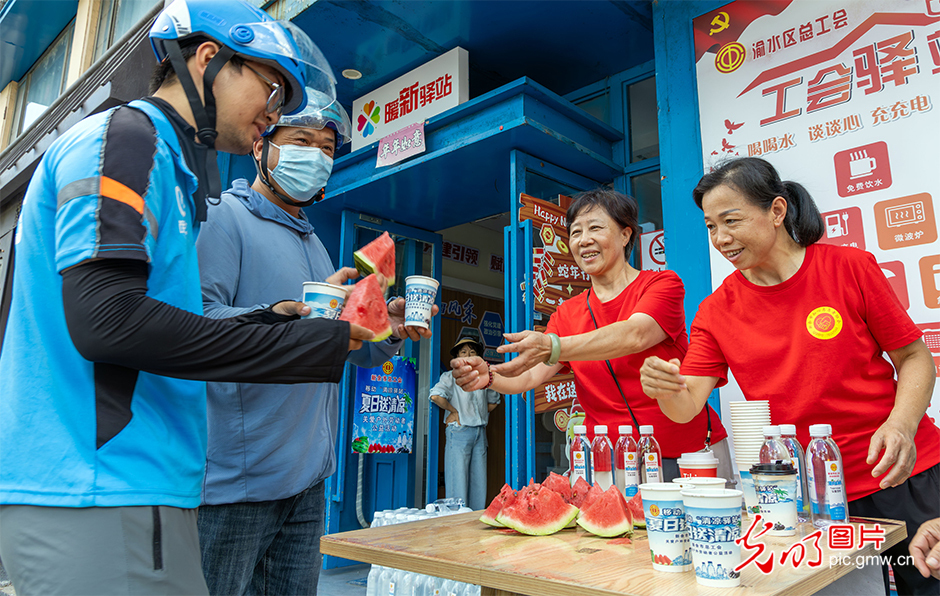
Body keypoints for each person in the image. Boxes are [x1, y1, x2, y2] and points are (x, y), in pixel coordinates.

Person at [0, 2, 373, 594]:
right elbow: (107, 320)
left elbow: (166, 317)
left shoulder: (172, 171)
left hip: (142, 486)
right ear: (208, 60)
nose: (271, 111)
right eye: (271, 88)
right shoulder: (125, 139)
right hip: (99, 484)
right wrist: (305, 345)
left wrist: (272, 318)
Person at [639, 157, 939, 596]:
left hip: (901, 474)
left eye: (732, 220)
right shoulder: (715, 311)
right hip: (811, 498)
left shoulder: (848, 267)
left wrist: (902, 424)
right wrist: (666, 388)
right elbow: (686, 406)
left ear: (777, 212)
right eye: (710, 226)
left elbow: (915, 357)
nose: (721, 239)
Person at [195, 92, 436, 596]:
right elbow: (198, 323)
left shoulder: (314, 241)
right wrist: (284, 319)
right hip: (236, 481)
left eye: (327, 148)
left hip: (308, 479)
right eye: (301, 141)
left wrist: (384, 327)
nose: (317, 157)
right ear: (261, 146)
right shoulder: (224, 218)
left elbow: (341, 349)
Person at [451, 188, 732, 482]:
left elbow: (634, 334)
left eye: (595, 228)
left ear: (626, 235)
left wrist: (553, 345)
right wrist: (491, 376)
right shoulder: (567, 314)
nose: (583, 240)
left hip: (690, 454)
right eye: (575, 233)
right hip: (613, 462)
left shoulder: (662, 284)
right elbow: (530, 377)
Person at [429, 337, 501, 510]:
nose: (468, 355)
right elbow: (435, 396)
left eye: (472, 352)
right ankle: (456, 523)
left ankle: (474, 520)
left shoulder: (484, 378)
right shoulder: (450, 377)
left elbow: (494, 401)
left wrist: (479, 414)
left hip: (479, 433)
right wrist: (454, 412)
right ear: (456, 358)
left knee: (479, 481)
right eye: (463, 352)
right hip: (459, 431)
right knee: (457, 480)